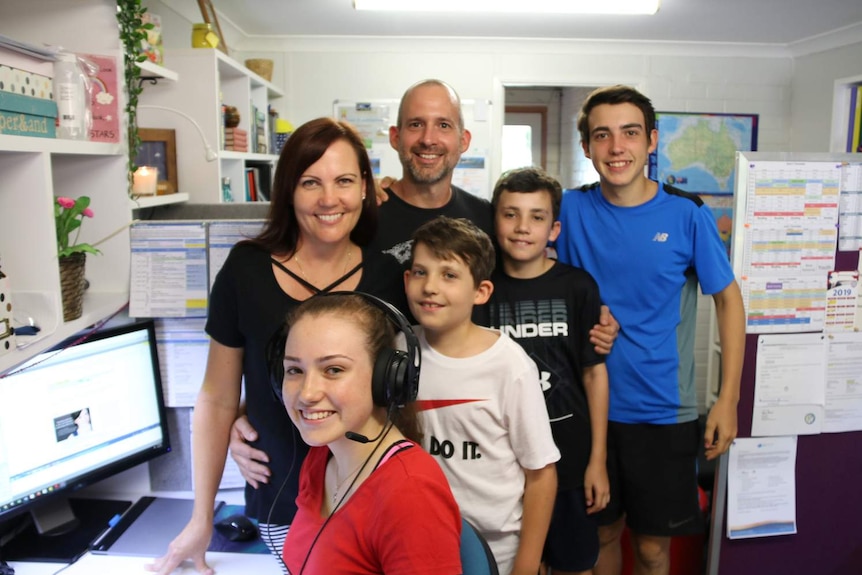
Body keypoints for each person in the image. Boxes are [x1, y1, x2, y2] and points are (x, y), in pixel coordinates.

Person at [147, 117, 406, 575]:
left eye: (344, 181)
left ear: (366, 187)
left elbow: (397, 391)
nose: (330, 199)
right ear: (288, 190)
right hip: (280, 505)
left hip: (371, 499)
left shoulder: (388, 276)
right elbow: (217, 395)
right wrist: (200, 517)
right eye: (311, 182)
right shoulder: (246, 270)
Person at [555, 85, 745, 575]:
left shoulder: (687, 214)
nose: (617, 147)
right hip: (584, 407)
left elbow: (729, 300)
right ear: (587, 147)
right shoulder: (568, 210)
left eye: (630, 133)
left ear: (652, 140)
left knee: (653, 550)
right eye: (603, 135)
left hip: (663, 410)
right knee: (600, 538)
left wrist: (727, 399)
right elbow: (510, 232)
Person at [405, 216, 560, 575]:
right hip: (416, 540)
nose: (430, 287)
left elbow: (541, 473)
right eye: (420, 272)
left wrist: (527, 562)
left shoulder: (509, 365)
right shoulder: (398, 350)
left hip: (494, 551)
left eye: (449, 275)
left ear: (481, 292)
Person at [274, 293, 462, 574]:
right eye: (294, 370)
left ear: (385, 378)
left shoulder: (410, 491)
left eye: (333, 369)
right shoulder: (322, 457)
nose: (307, 392)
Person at [482, 167, 610, 575]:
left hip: (569, 458)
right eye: (510, 214)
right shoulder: (479, 289)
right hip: (502, 463)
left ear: (554, 229)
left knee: (575, 565)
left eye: (536, 217)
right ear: (494, 220)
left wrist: (597, 461)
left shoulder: (578, 287)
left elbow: (593, 374)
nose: (523, 227)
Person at [369, 79, 493, 263]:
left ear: (463, 141)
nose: (428, 140)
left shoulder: (485, 217)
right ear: (395, 137)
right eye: (416, 124)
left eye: (443, 125)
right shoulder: (366, 212)